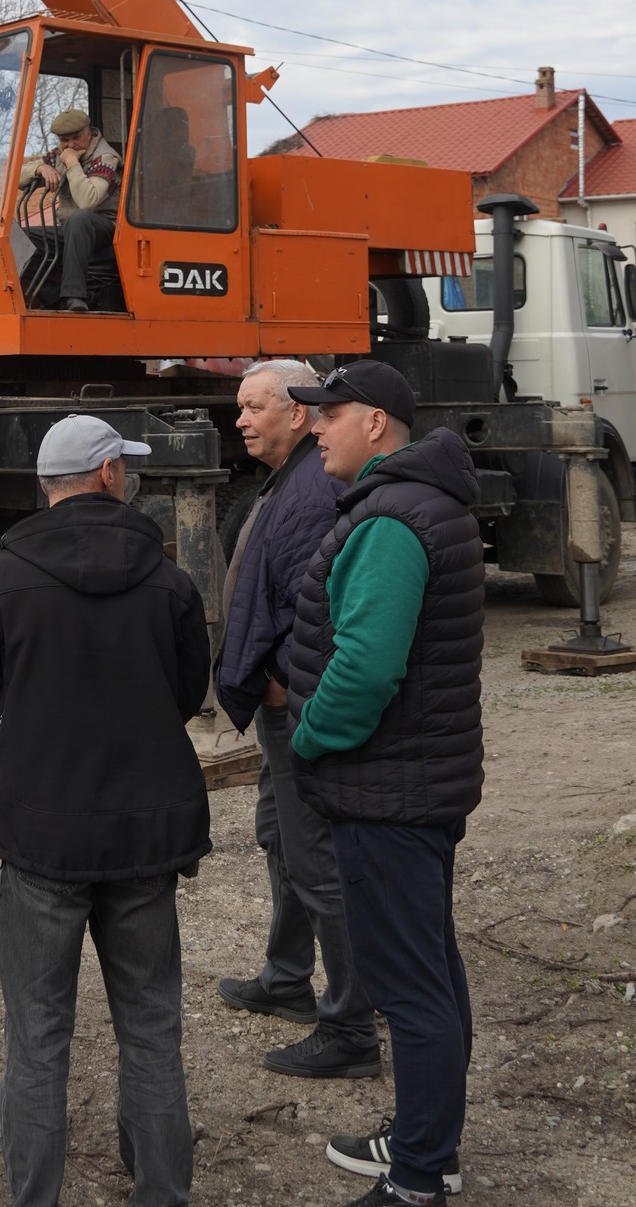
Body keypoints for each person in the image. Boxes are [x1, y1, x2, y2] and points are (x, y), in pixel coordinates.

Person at [0, 413, 211, 1207]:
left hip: (43, 840)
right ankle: (162, 1193)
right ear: (110, 475)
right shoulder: (167, 580)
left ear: (47, 485)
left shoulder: (3, 576)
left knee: (37, 1038)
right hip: (146, 836)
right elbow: (186, 693)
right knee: (151, 1028)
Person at [284, 360, 484, 1207]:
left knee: (407, 987)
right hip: (413, 783)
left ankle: (415, 1178)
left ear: (374, 424)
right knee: (428, 968)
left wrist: (308, 740)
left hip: (387, 790)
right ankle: (422, 1143)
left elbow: (366, 668)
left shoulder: (392, 519)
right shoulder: (417, 504)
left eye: (327, 415)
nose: (314, 428)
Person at [213, 361, 380, 1080]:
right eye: (241, 408)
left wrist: (282, 684)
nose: (241, 420)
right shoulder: (290, 478)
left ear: (297, 414)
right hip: (278, 701)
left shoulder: (313, 490)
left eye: (254, 407)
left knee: (314, 861)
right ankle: (286, 978)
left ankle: (350, 1028)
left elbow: (315, 609)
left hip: (295, 708)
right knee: (279, 838)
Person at [20, 106, 121, 313]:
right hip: (72, 230)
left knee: (80, 218)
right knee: (19, 237)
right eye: (64, 140)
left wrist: (73, 164)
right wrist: (40, 168)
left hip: (106, 228)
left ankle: (74, 297)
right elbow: (18, 178)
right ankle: (54, 297)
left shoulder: (105, 157)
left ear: (89, 133)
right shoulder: (59, 155)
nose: (71, 145)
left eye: (76, 138)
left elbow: (87, 201)